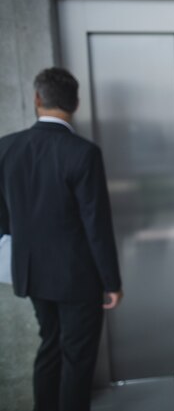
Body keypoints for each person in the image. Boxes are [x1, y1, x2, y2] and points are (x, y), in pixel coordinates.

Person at [0, 68, 122, 411]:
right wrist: (111, 282)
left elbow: (2, 218)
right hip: (76, 278)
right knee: (77, 358)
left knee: (49, 344)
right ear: (76, 103)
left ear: (37, 99)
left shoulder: (6, 148)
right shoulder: (82, 152)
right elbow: (95, 224)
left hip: (30, 272)